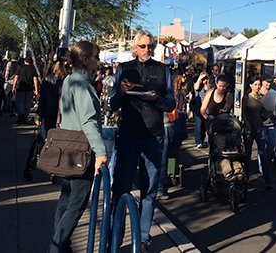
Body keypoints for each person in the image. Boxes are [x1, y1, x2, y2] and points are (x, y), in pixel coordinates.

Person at [109, 30, 176, 252]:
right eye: (143, 46)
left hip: (153, 134)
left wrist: (156, 99)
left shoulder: (163, 69)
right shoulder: (124, 69)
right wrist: (121, 90)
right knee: (121, 189)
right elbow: (113, 103)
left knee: (149, 191)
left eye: (150, 46)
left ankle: (144, 239)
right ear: (135, 47)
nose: (147, 50)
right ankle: (115, 239)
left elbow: (170, 104)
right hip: (128, 134)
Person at [47, 41, 108, 253]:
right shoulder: (81, 84)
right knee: (76, 204)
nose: (98, 61)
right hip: (80, 151)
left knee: (65, 201)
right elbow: (88, 121)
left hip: (66, 149)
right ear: (86, 60)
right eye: (96, 57)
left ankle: (62, 247)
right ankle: (56, 248)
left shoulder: (70, 80)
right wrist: (100, 152)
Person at [25, 60, 70, 182]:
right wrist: (38, 116)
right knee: (43, 143)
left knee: (55, 145)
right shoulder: (51, 80)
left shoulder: (66, 80)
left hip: (57, 116)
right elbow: (43, 99)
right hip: (50, 115)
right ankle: (31, 167)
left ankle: (54, 171)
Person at [242, 76, 272, 190]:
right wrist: (246, 123)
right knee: (248, 154)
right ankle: (246, 178)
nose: (257, 87)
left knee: (263, 154)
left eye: (259, 84)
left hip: (260, 127)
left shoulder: (262, 98)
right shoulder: (246, 98)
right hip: (250, 127)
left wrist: (269, 113)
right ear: (250, 85)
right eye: (255, 84)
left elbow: (263, 115)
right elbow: (243, 113)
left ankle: (268, 181)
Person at [262, 70, 276, 168]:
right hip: (271, 119)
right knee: (271, 142)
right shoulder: (273, 88)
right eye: (274, 78)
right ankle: (268, 160)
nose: (275, 80)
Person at [12, 57, 39, 125]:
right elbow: (35, 79)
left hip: (20, 88)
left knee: (20, 102)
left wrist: (14, 86)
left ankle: (21, 113)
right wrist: (36, 89)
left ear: (24, 61)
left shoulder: (20, 68)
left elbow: (16, 77)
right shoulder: (32, 69)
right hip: (29, 88)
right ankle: (25, 118)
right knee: (28, 103)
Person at [192, 71, 212, 148]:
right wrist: (199, 79)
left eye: (206, 78)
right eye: (203, 79)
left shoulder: (210, 87)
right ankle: (198, 141)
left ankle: (203, 139)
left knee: (205, 126)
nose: (204, 80)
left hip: (207, 108)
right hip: (198, 108)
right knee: (199, 125)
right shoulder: (198, 86)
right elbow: (196, 88)